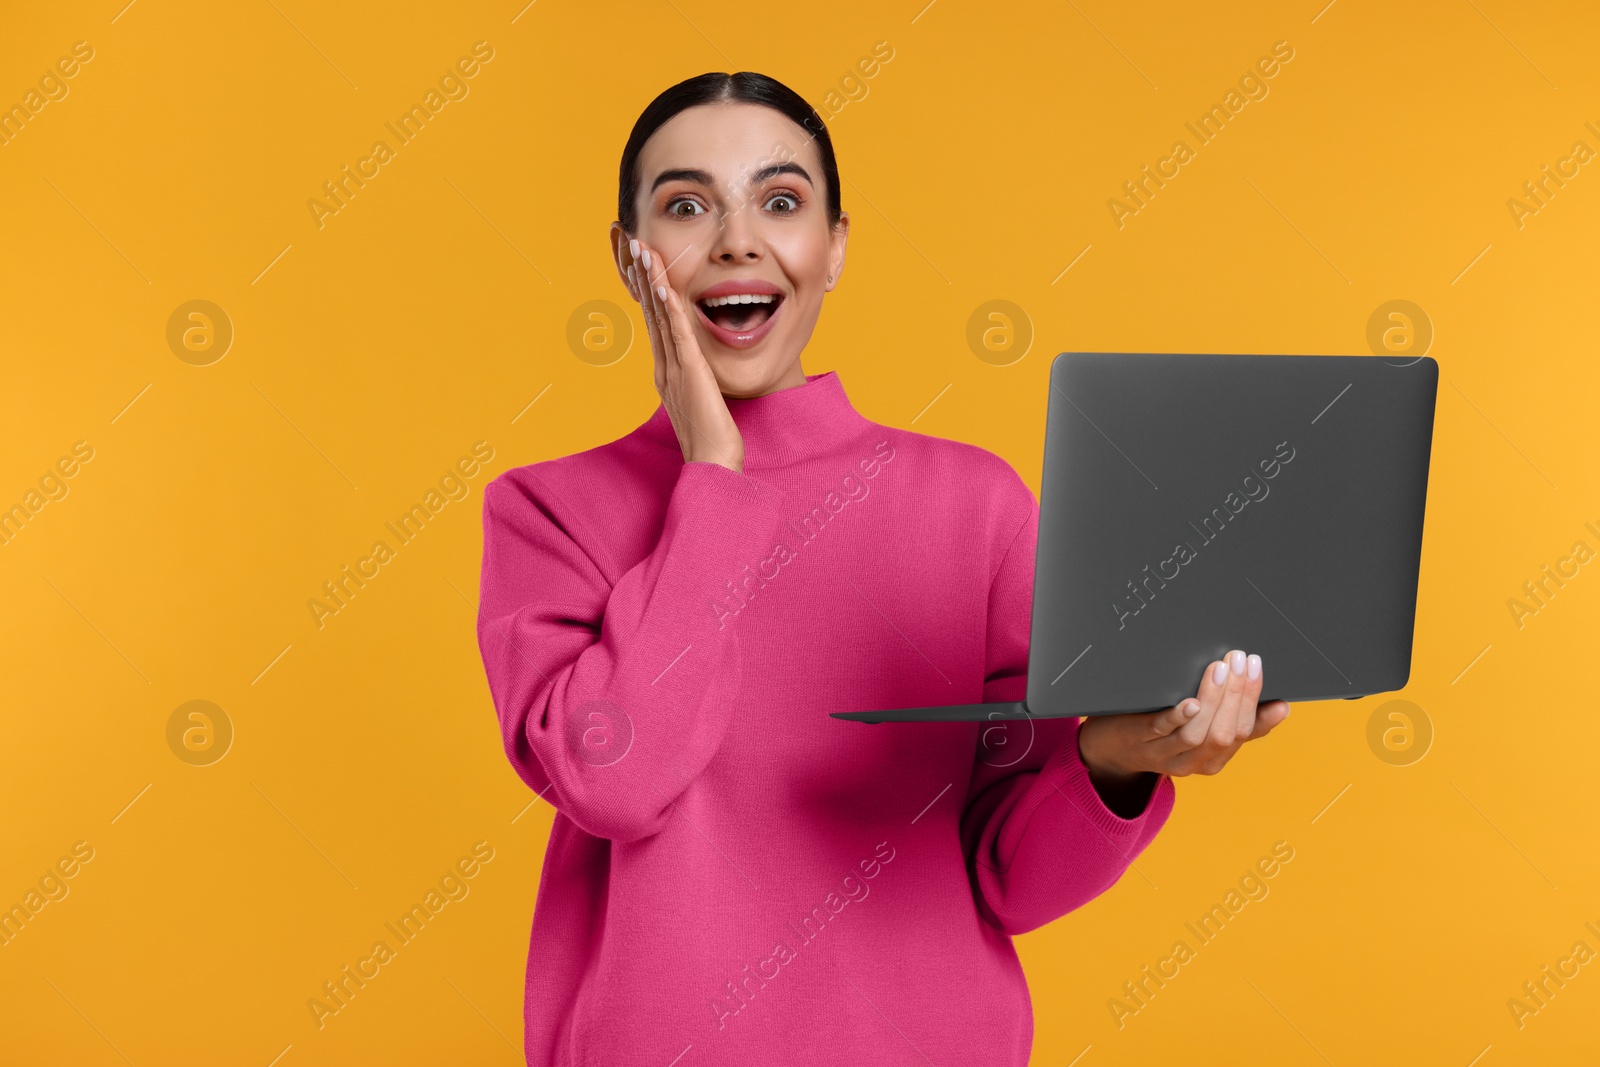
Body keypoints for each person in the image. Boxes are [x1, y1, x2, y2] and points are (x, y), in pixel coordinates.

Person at [474, 70, 1290, 1067]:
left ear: (836, 249)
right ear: (629, 256)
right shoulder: (549, 510)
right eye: (687, 206)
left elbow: (1009, 881)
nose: (736, 239)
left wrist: (1116, 762)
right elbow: (615, 781)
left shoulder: (975, 505)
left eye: (780, 202)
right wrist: (713, 481)